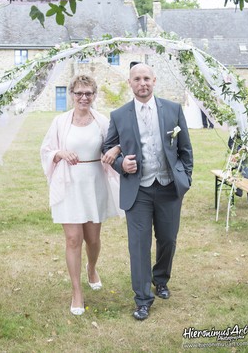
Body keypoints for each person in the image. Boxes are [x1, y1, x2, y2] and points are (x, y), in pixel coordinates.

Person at [102, 63, 193, 321]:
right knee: (138, 246)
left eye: (146, 78)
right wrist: (122, 164)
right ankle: (142, 299)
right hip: (138, 190)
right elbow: (107, 146)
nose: (142, 83)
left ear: (154, 80)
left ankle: (161, 279)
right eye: (137, 79)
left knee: (168, 239)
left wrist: (185, 178)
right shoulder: (119, 115)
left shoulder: (173, 109)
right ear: (130, 83)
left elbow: (185, 148)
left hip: (168, 187)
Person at [40, 74, 122, 316]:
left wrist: (115, 150)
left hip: (94, 182)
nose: (84, 97)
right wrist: (60, 153)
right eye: (79, 93)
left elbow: (118, 143)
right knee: (73, 239)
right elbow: (46, 150)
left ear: (94, 95)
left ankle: (92, 267)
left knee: (93, 239)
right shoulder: (60, 121)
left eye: (88, 93)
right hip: (69, 184)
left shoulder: (102, 121)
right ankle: (77, 291)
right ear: (72, 95)